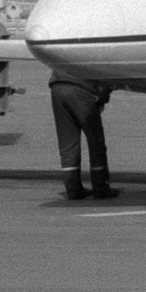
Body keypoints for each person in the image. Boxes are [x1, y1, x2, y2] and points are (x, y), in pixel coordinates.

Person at [49, 69, 118, 200]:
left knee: (67, 143)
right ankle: (101, 188)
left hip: (57, 86)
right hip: (81, 89)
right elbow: (108, 79)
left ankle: (73, 188)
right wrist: (102, 100)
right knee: (96, 142)